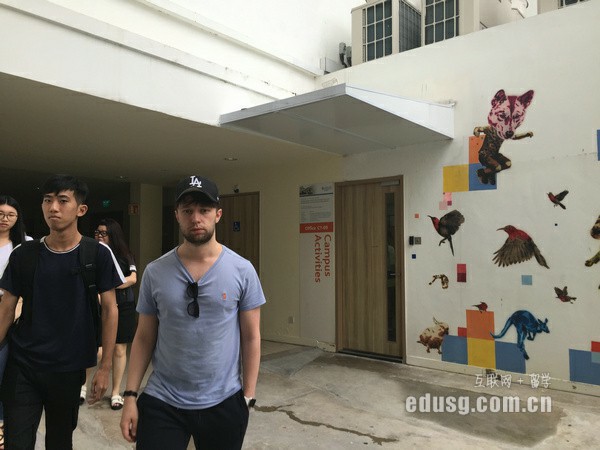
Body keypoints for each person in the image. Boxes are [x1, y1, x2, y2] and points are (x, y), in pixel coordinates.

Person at [120, 175, 266, 449]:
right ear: (177, 215)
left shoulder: (242, 270)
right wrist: (130, 395)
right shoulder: (155, 271)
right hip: (163, 399)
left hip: (224, 400)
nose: (196, 218)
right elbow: (144, 337)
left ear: (218, 214)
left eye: (204, 210)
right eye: (187, 211)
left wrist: (248, 396)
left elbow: (251, 337)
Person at [0, 175, 124, 449]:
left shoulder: (97, 254)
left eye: (62, 200)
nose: (53, 207)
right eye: (47, 200)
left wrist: (105, 368)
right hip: (23, 365)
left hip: (68, 368)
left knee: (59, 441)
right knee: (16, 442)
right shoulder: (24, 254)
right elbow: (6, 309)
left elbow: (109, 310)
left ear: (81, 209)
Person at [93, 218, 137, 411]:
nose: (99, 236)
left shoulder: (125, 255)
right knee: (98, 350)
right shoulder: (93, 253)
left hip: (124, 305)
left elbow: (133, 278)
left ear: (113, 235)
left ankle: (116, 392)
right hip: (100, 306)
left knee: (120, 349)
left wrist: (109, 284)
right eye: (97, 232)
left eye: (103, 233)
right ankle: (83, 386)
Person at [0, 195, 30, 450]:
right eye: (0, 214)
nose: (5, 219)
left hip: (12, 312)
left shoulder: (25, 245)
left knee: (4, 371)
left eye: (10, 215)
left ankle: (1, 424)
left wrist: (19, 306)